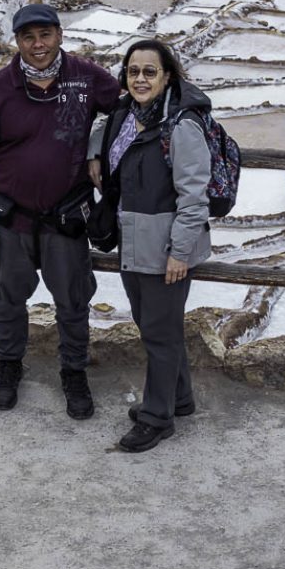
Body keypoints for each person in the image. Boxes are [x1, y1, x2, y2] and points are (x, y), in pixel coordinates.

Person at [0, 3, 121, 417]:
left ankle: (73, 372)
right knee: (6, 297)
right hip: (11, 217)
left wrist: (96, 151)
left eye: (45, 35)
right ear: (17, 41)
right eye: (28, 37)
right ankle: (8, 366)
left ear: (59, 35)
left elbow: (126, 110)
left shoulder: (87, 79)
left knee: (73, 300)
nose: (38, 45)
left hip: (66, 217)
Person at [93, 39, 212, 452]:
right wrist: (94, 154)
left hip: (165, 247)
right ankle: (179, 398)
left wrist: (180, 251)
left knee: (159, 335)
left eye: (149, 71)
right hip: (134, 241)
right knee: (155, 326)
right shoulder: (129, 115)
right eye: (133, 71)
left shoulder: (182, 125)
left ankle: (156, 418)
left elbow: (194, 196)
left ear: (167, 76)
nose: (140, 79)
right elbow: (101, 134)